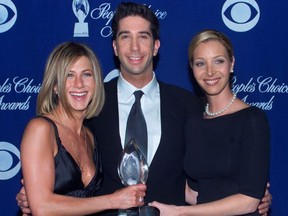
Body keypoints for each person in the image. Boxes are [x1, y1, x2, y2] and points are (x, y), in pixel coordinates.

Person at [16, 3, 271, 216]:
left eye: (143, 37)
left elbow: (209, 170)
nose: (135, 47)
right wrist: (36, 194)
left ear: (156, 46)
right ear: (115, 47)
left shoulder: (190, 107)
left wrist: (253, 193)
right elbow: (63, 166)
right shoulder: (91, 103)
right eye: (125, 36)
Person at [149, 30, 270, 215]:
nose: (210, 71)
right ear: (192, 69)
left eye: (218, 61)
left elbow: (249, 201)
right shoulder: (193, 123)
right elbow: (195, 194)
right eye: (200, 63)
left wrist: (181, 212)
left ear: (232, 64)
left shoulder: (252, 120)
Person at [19, 41, 146, 215]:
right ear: (55, 86)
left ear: (96, 83)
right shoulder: (41, 129)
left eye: (86, 75)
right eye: (69, 76)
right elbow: (42, 207)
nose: (79, 84)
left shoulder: (90, 134)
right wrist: (112, 200)